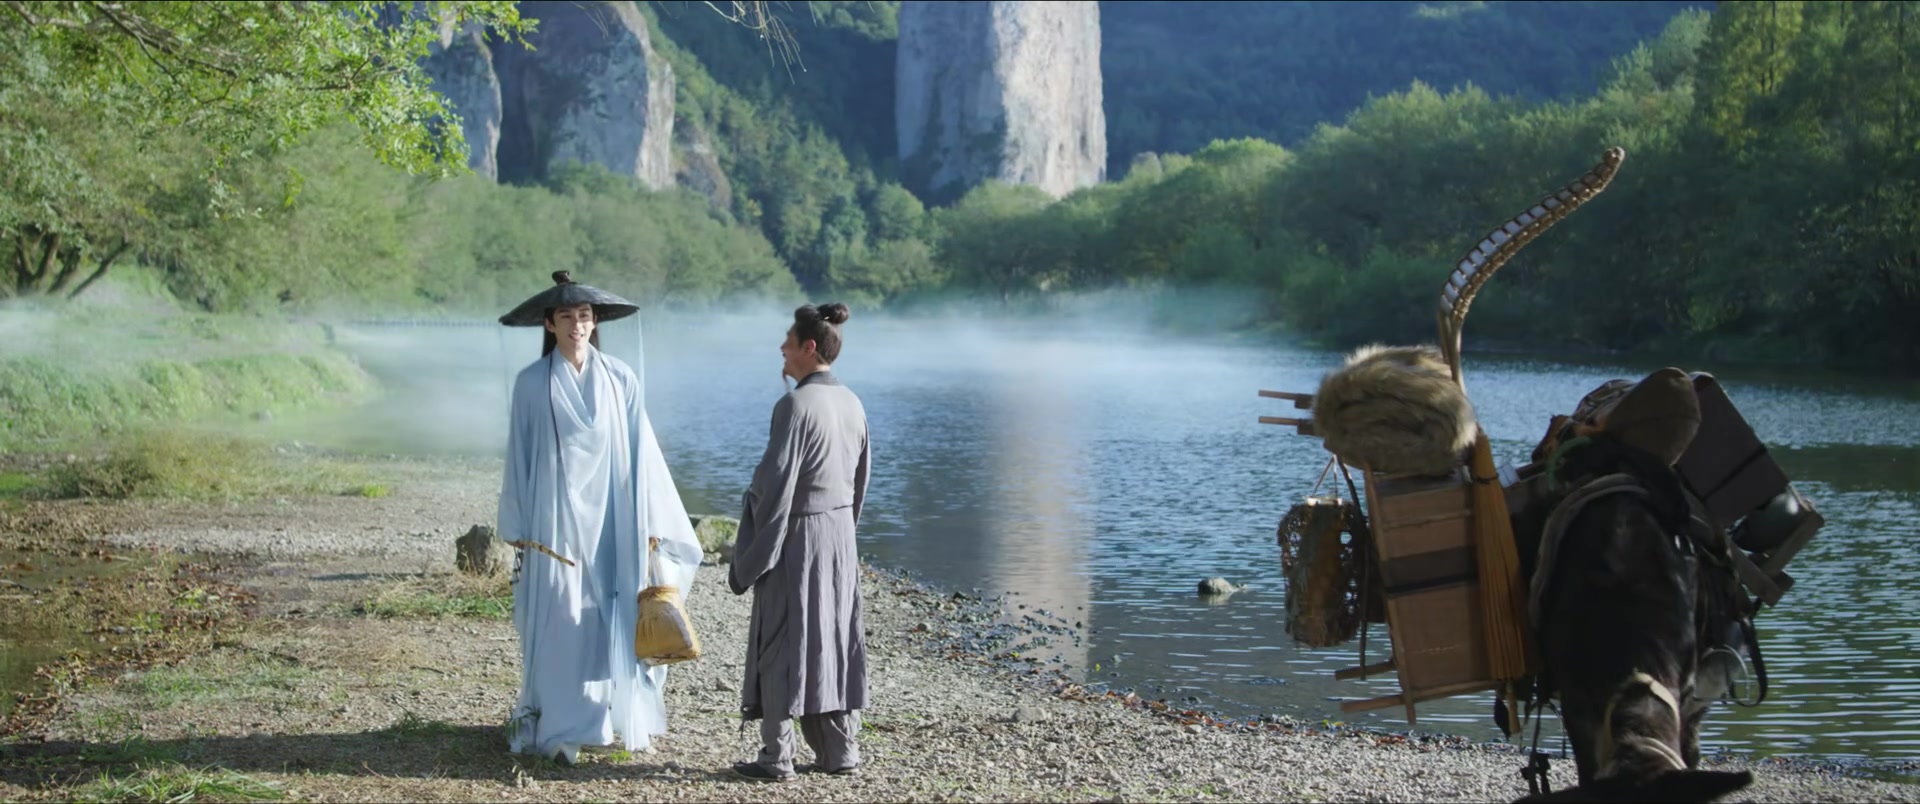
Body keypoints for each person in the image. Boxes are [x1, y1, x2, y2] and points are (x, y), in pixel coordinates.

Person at [495, 271, 703, 765]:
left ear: (595, 323)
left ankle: (611, 716)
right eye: (566, 316)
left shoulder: (620, 378)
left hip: (615, 517)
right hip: (554, 522)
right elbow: (519, 455)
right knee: (560, 618)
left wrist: (651, 521)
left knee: (613, 614)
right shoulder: (532, 384)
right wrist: (518, 527)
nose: (577, 325)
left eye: (585, 316)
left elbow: (641, 450)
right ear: (549, 324)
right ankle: (561, 726)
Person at [729, 302, 872, 782]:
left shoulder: (793, 406)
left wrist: (753, 550)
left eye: (788, 343)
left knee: (782, 639)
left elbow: (774, 486)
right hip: (839, 537)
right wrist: (844, 531)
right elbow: (861, 480)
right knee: (833, 638)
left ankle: (777, 756)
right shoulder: (852, 402)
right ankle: (839, 751)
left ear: (809, 348)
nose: (782, 350)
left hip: (799, 537)